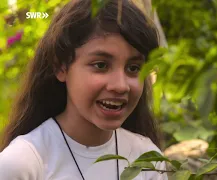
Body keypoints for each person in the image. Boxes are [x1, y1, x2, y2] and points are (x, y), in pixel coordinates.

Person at [0, 0, 167, 179]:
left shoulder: (147, 159)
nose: (120, 85)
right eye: (101, 65)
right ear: (61, 67)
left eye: (133, 68)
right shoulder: (22, 164)